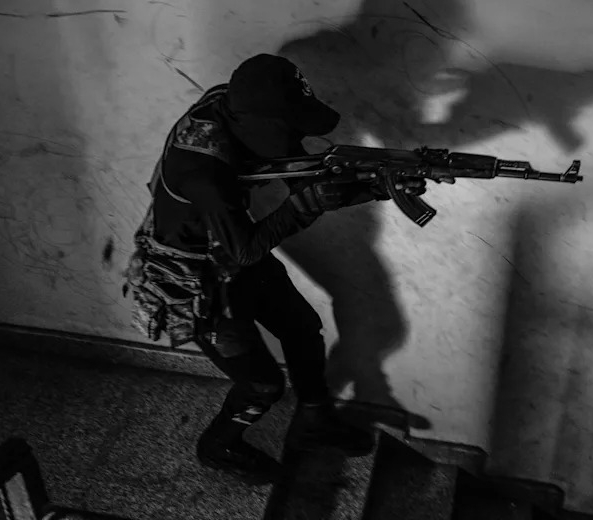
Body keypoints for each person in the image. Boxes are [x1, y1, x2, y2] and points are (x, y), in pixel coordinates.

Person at [122, 53, 426, 482]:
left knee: (302, 328)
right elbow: (248, 247)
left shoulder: (229, 104)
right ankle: (218, 446)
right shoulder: (202, 172)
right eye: (291, 128)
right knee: (262, 386)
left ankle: (315, 421)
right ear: (264, 125)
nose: (297, 138)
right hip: (194, 282)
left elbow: (300, 175)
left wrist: (380, 186)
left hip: (228, 249)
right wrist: (306, 206)